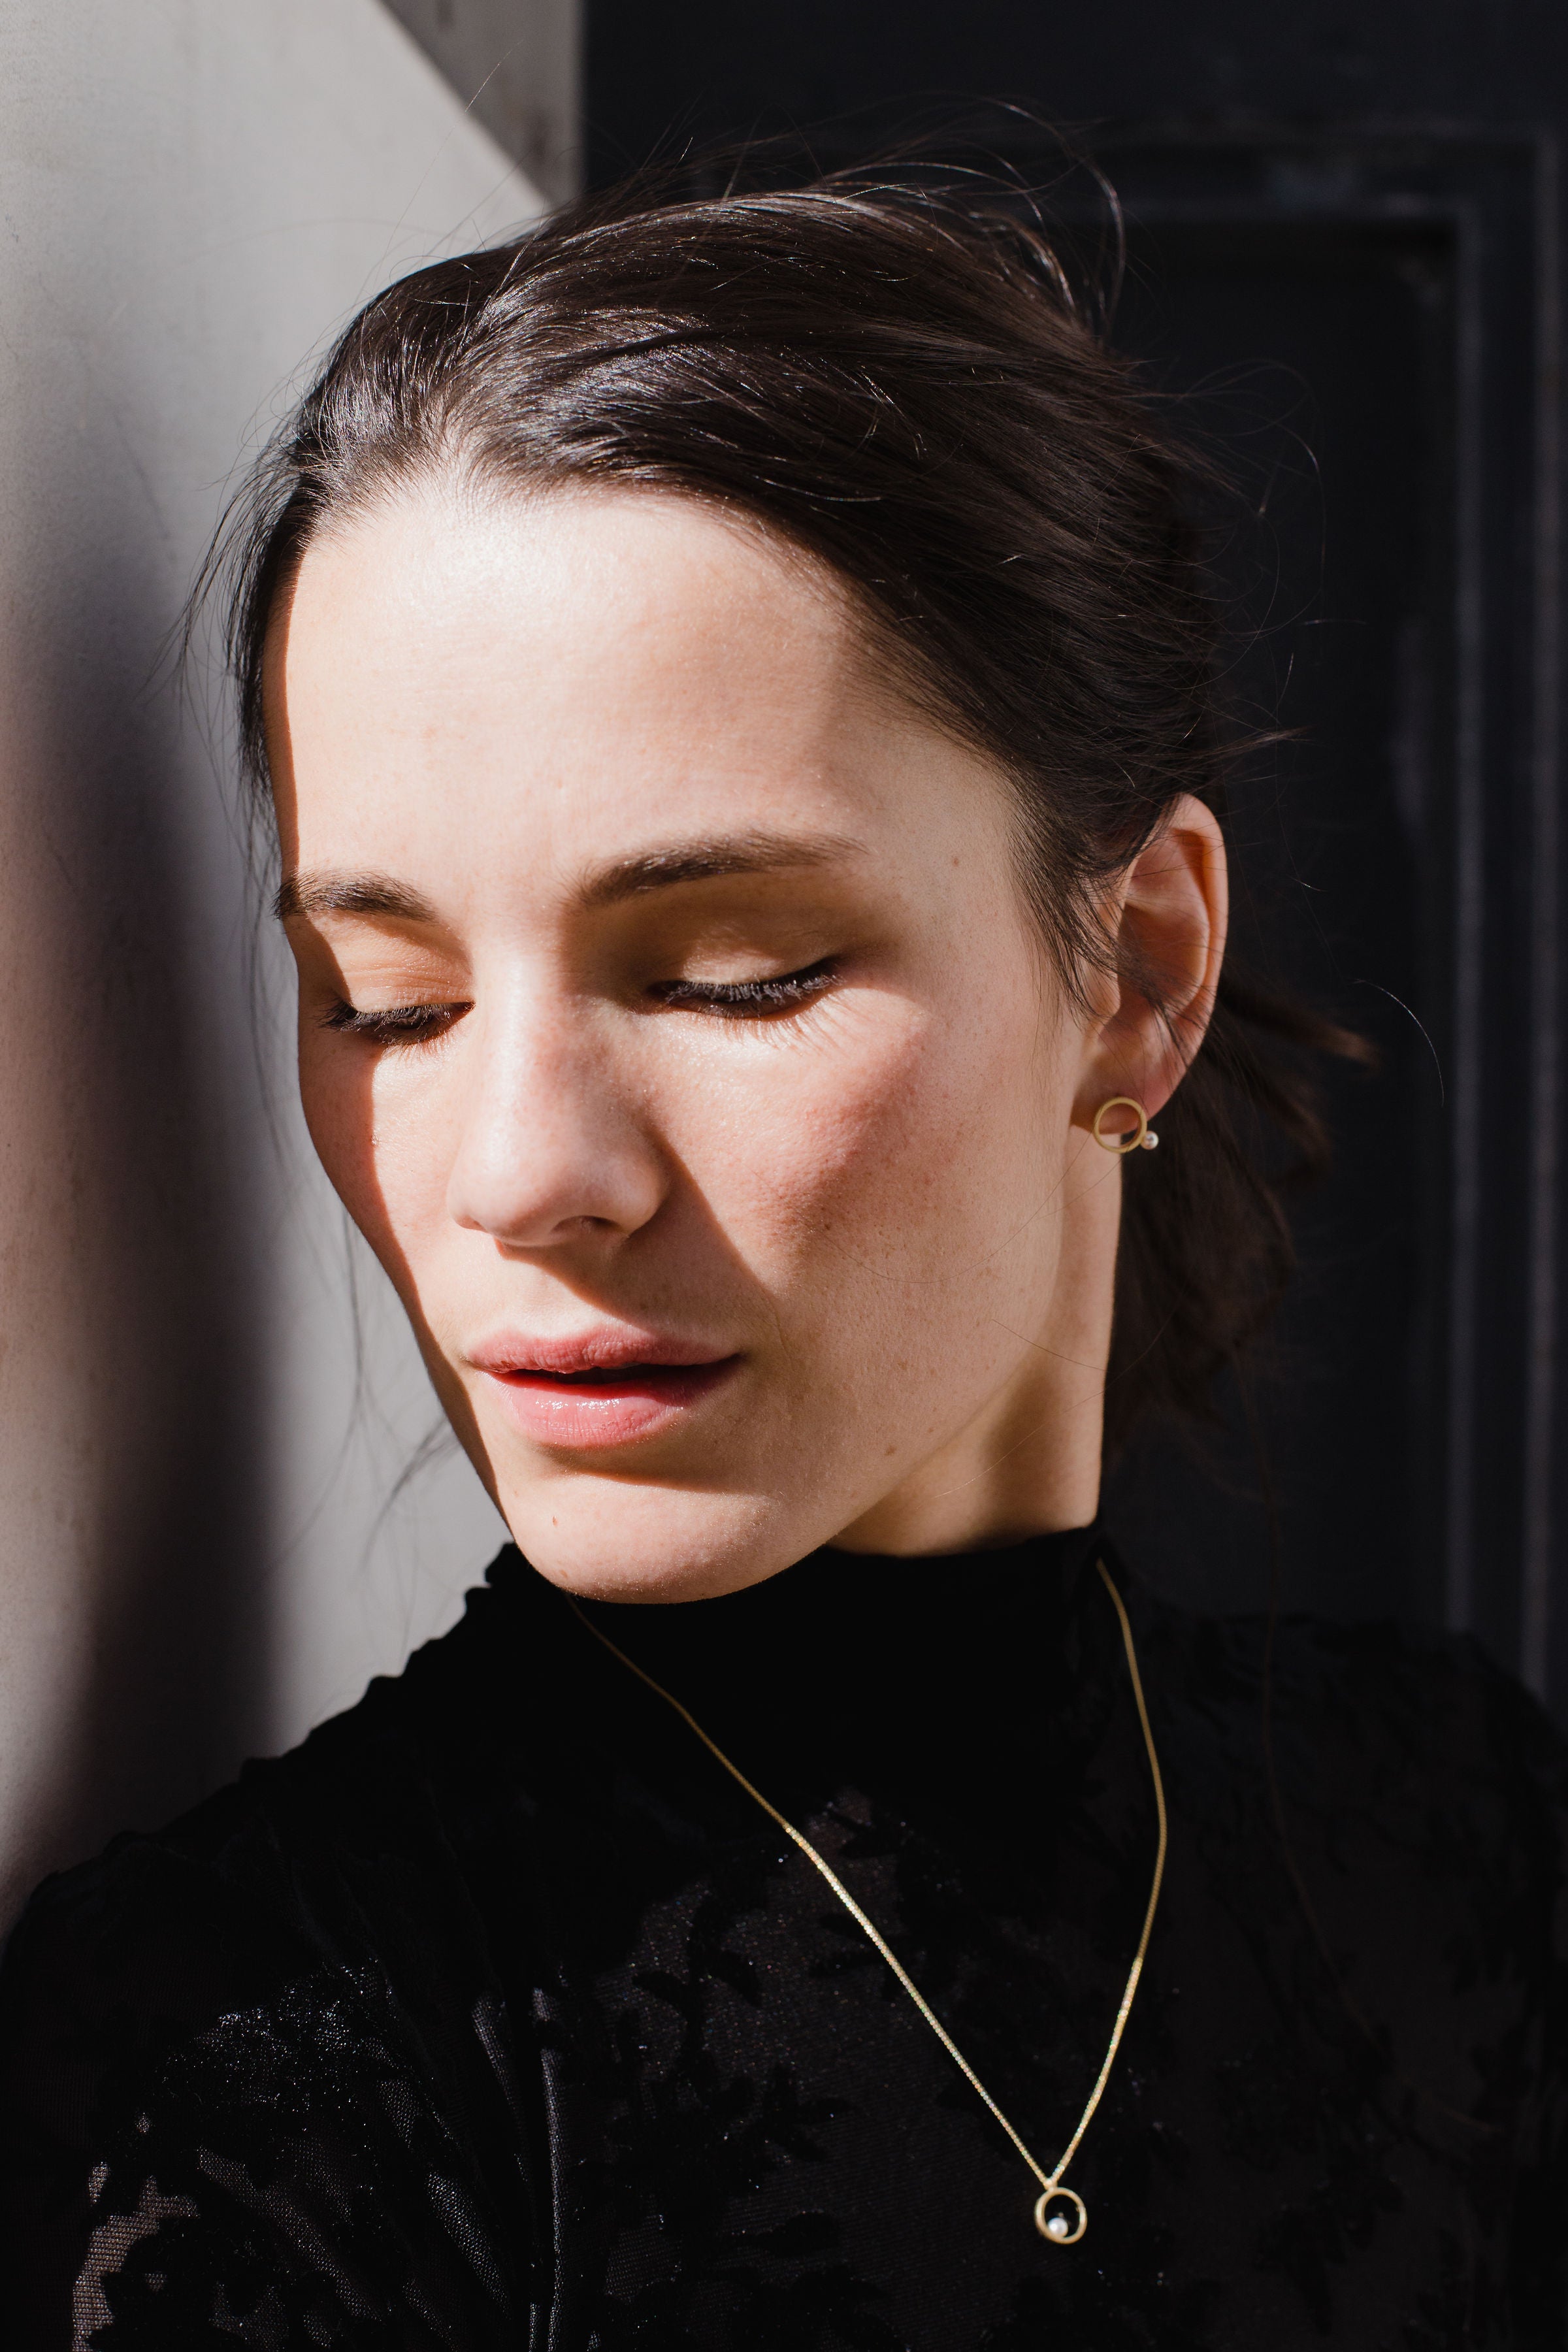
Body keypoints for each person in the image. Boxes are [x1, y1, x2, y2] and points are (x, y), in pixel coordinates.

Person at [1, 161, 1564, 2351]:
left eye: (735, 973)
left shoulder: (1465, 1833)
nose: (521, 1177)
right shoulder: (251, 2057)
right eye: (390, 1001)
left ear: (1139, 974)